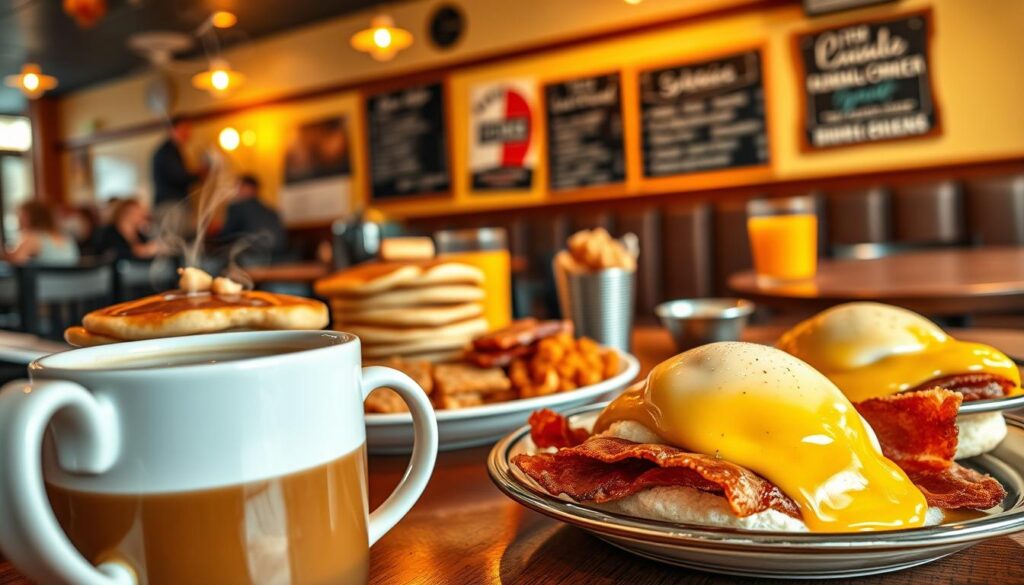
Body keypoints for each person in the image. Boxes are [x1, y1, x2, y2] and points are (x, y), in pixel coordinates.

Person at [217, 175, 286, 265]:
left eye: (238, 187)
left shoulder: (237, 207)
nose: (235, 191)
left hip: (252, 259)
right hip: (280, 259)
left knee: (213, 263)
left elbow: (225, 237)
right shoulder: (271, 211)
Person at [4, 201, 80, 265]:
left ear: (31, 217)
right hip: (72, 282)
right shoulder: (67, 238)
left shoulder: (32, 237)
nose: (18, 219)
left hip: (46, 282)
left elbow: (16, 262)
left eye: (21, 215)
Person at [95, 199, 162, 261]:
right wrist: (143, 251)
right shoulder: (109, 232)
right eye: (137, 213)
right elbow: (113, 253)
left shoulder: (140, 234)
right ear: (127, 213)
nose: (142, 216)